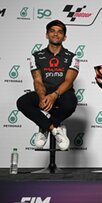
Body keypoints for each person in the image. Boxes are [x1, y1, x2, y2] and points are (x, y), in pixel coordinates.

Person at [17, 20, 79, 150]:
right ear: (46, 35)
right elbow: (38, 80)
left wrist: (54, 95)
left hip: (62, 92)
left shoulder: (72, 57)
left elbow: (68, 81)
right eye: (52, 31)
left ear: (64, 37)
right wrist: (41, 96)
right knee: (22, 102)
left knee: (70, 103)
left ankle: (44, 125)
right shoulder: (36, 56)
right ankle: (53, 128)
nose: (56, 34)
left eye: (60, 32)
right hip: (44, 91)